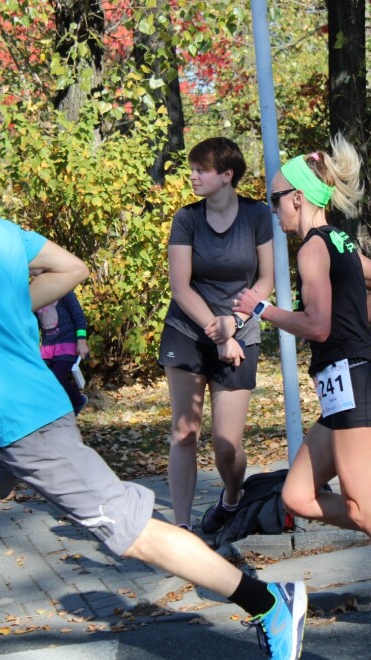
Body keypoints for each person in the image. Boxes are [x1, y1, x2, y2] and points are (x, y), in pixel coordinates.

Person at [0, 120, 305, 660]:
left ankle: (269, 602)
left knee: (136, 533)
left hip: (26, 426)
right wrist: (11, 307)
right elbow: (69, 267)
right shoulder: (1, 231)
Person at [234, 137, 371, 641]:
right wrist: (351, 328)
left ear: (297, 198)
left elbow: (316, 325)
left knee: (364, 508)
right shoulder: (340, 242)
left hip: (353, 388)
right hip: (342, 392)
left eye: (274, 200)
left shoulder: (313, 249)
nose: (273, 212)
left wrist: (262, 311)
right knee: (298, 495)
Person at [159, 137, 275, 533]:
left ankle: (231, 497)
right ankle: (182, 529)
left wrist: (236, 325)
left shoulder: (257, 215)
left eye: (201, 170)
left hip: (240, 333)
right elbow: (181, 287)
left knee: (226, 444)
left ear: (227, 175)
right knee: (185, 431)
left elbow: (266, 280)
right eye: (192, 169)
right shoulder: (187, 218)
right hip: (186, 332)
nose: (192, 176)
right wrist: (218, 330)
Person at [35, 290, 89, 414]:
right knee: (41, 378)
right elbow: (34, 322)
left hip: (68, 346)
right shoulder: (35, 292)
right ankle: (53, 410)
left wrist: (81, 340)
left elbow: (79, 316)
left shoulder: (63, 290)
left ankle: (77, 401)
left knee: (55, 378)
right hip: (48, 348)